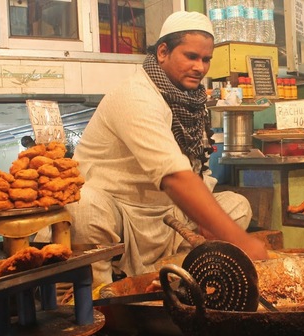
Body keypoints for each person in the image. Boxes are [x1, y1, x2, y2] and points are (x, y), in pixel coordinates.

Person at [49, 11, 268, 289]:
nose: (200, 68)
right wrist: (242, 241)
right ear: (163, 52)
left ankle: (177, 276)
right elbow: (175, 177)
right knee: (85, 205)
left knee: (236, 206)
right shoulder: (135, 95)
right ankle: (101, 295)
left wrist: (209, 220)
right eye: (191, 57)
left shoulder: (192, 102)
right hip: (119, 217)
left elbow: (197, 169)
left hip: (167, 217)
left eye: (206, 59)